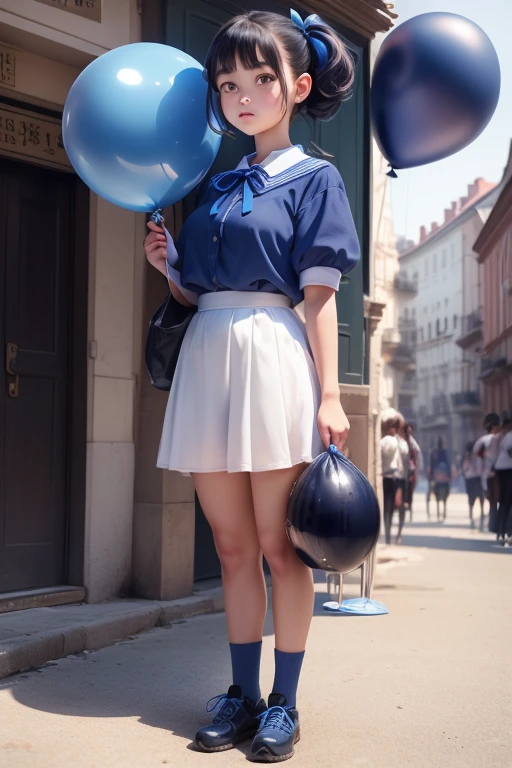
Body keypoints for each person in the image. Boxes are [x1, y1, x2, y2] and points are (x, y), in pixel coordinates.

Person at [144, 10, 359, 762]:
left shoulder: (316, 178)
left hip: (274, 357)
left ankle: (284, 704)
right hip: (210, 356)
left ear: (296, 88)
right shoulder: (211, 188)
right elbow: (201, 295)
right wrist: (171, 268)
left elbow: (320, 297)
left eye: (260, 79)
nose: (242, 95)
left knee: (279, 548)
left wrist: (330, 393)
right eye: (227, 82)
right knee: (232, 548)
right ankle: (238, 694)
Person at [380, 409, 409, 545]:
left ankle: (388, 536)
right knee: (391, 508)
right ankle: (389, 536)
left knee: (388, 508)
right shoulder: (390, 441)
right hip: (393, 478)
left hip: (389, 478)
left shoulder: (388, 441)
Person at [473, 412, 500, 532]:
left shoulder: (481, 442)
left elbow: (477, 461)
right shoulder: (497, 439)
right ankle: (496, 526)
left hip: (485, 477)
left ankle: (492, 525)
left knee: (492, 501)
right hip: (497, 475)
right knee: (500, 501)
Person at [494, 415, 512, 546]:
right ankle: (506, 532)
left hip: (503, 471)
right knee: (507, 503)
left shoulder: (505, 437)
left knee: (505, 503)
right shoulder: (510, 436)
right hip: (507, 472)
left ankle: (501, 532)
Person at [461, 440, 484, 529]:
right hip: (475, 479)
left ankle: (474, 518)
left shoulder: (474, 457)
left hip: (472, 479)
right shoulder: (474, 457)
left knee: (473, 500)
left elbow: (464, 470)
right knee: (477, 499)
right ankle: (476, 519)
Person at [428, 437, 451, 522]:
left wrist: (431, 476)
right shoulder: (444, 452)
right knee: (444, 497)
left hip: (437, 477)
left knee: (437, 497)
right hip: (443, 477)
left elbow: (432, 464)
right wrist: (449, 475)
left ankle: (439, 515)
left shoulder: (434, 452)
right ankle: (443, 514)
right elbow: (448, 463)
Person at [404, 422, 422, 522]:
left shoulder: (412, 443)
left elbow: (418, 455)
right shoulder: (402, 441)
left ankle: (409, 509)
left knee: (410, 489)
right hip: (402, 470)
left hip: (411, 471)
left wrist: (416, 468)